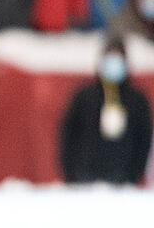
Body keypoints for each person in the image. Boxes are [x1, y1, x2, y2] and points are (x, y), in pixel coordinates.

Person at [59, 37, 151, 184]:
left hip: (122, 180)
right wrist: (71, 174)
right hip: (84, 178)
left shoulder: (137, 101)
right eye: (110, 59)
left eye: (118, 59)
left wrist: (134, 174)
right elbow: (68, 135)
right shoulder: (84, 97)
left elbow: (143, 140)